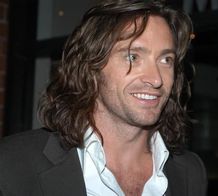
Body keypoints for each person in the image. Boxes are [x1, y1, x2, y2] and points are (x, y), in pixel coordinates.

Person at [0, 0, 207, 195]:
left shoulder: (190, 172)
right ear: (91, 67)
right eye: (133, 56)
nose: (155, 79)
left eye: (166, 59)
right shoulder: (13, 164)